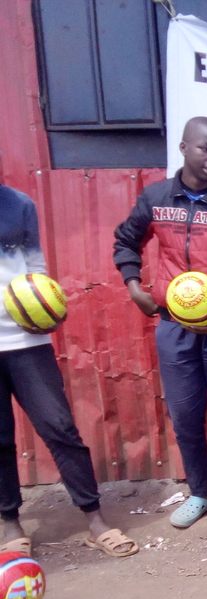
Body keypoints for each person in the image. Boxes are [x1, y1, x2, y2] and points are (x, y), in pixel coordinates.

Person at [113, 117, 207, 546]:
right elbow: (126, 241)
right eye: (205, 149)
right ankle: (201, 492)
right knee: (185, 416)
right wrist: (134, 287)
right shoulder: (156, 199)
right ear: (183, 147)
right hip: (173, 327)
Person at [0, 183, 137, 558]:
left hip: (27, 339)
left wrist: (48, 308)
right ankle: (10, 522)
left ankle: (95, 520)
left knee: (59, 428)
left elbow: (35, 268)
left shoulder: (18, 204)